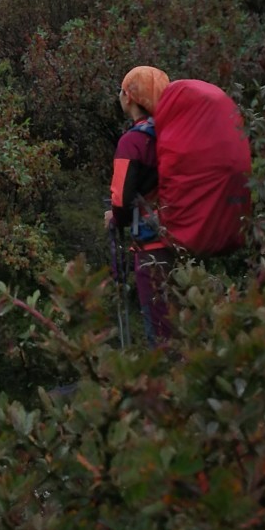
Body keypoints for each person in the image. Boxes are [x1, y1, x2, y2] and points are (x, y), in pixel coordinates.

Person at [104, 65, 175, 345]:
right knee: (179, 320)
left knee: (159, 329)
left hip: (150, 247)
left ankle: (167, 384)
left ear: (130, 97)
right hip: (180, 240)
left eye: (122, 90)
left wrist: (114, 217)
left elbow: (120, 199)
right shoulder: (171, 135)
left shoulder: (132, 141)